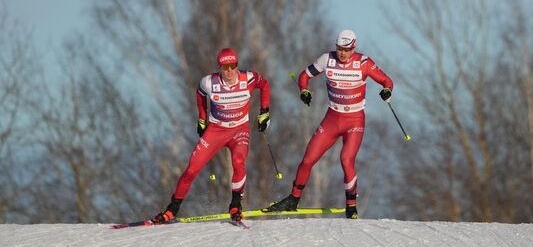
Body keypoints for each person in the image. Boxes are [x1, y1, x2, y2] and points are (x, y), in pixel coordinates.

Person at [264, 30, 393, 219]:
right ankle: (293, 199)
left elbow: (387, 81)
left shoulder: (364, 63)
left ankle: (351, 206)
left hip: (354, 120)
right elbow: (303, 76)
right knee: (308, 159)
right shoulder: (327, 59)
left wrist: (387, 91)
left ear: (353, 48)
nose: (342, 53)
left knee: (346, 159)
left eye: (346, 50)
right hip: (332, 118)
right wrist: (304, 91)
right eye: (339, 48)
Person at [152, 47, 271, 223]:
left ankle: (236, 205)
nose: (229, 71)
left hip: (239, 130)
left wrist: (264, 112)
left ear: (237, 65)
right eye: (225, 67)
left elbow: (265, 85)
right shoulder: (209, 82)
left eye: (233, 65)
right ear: (219, 68)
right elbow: (200, 96)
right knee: (192, 168)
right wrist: (202, 119)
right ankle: (172, 209)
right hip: (216, 130)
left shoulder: (249, 78)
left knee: (238, 162)